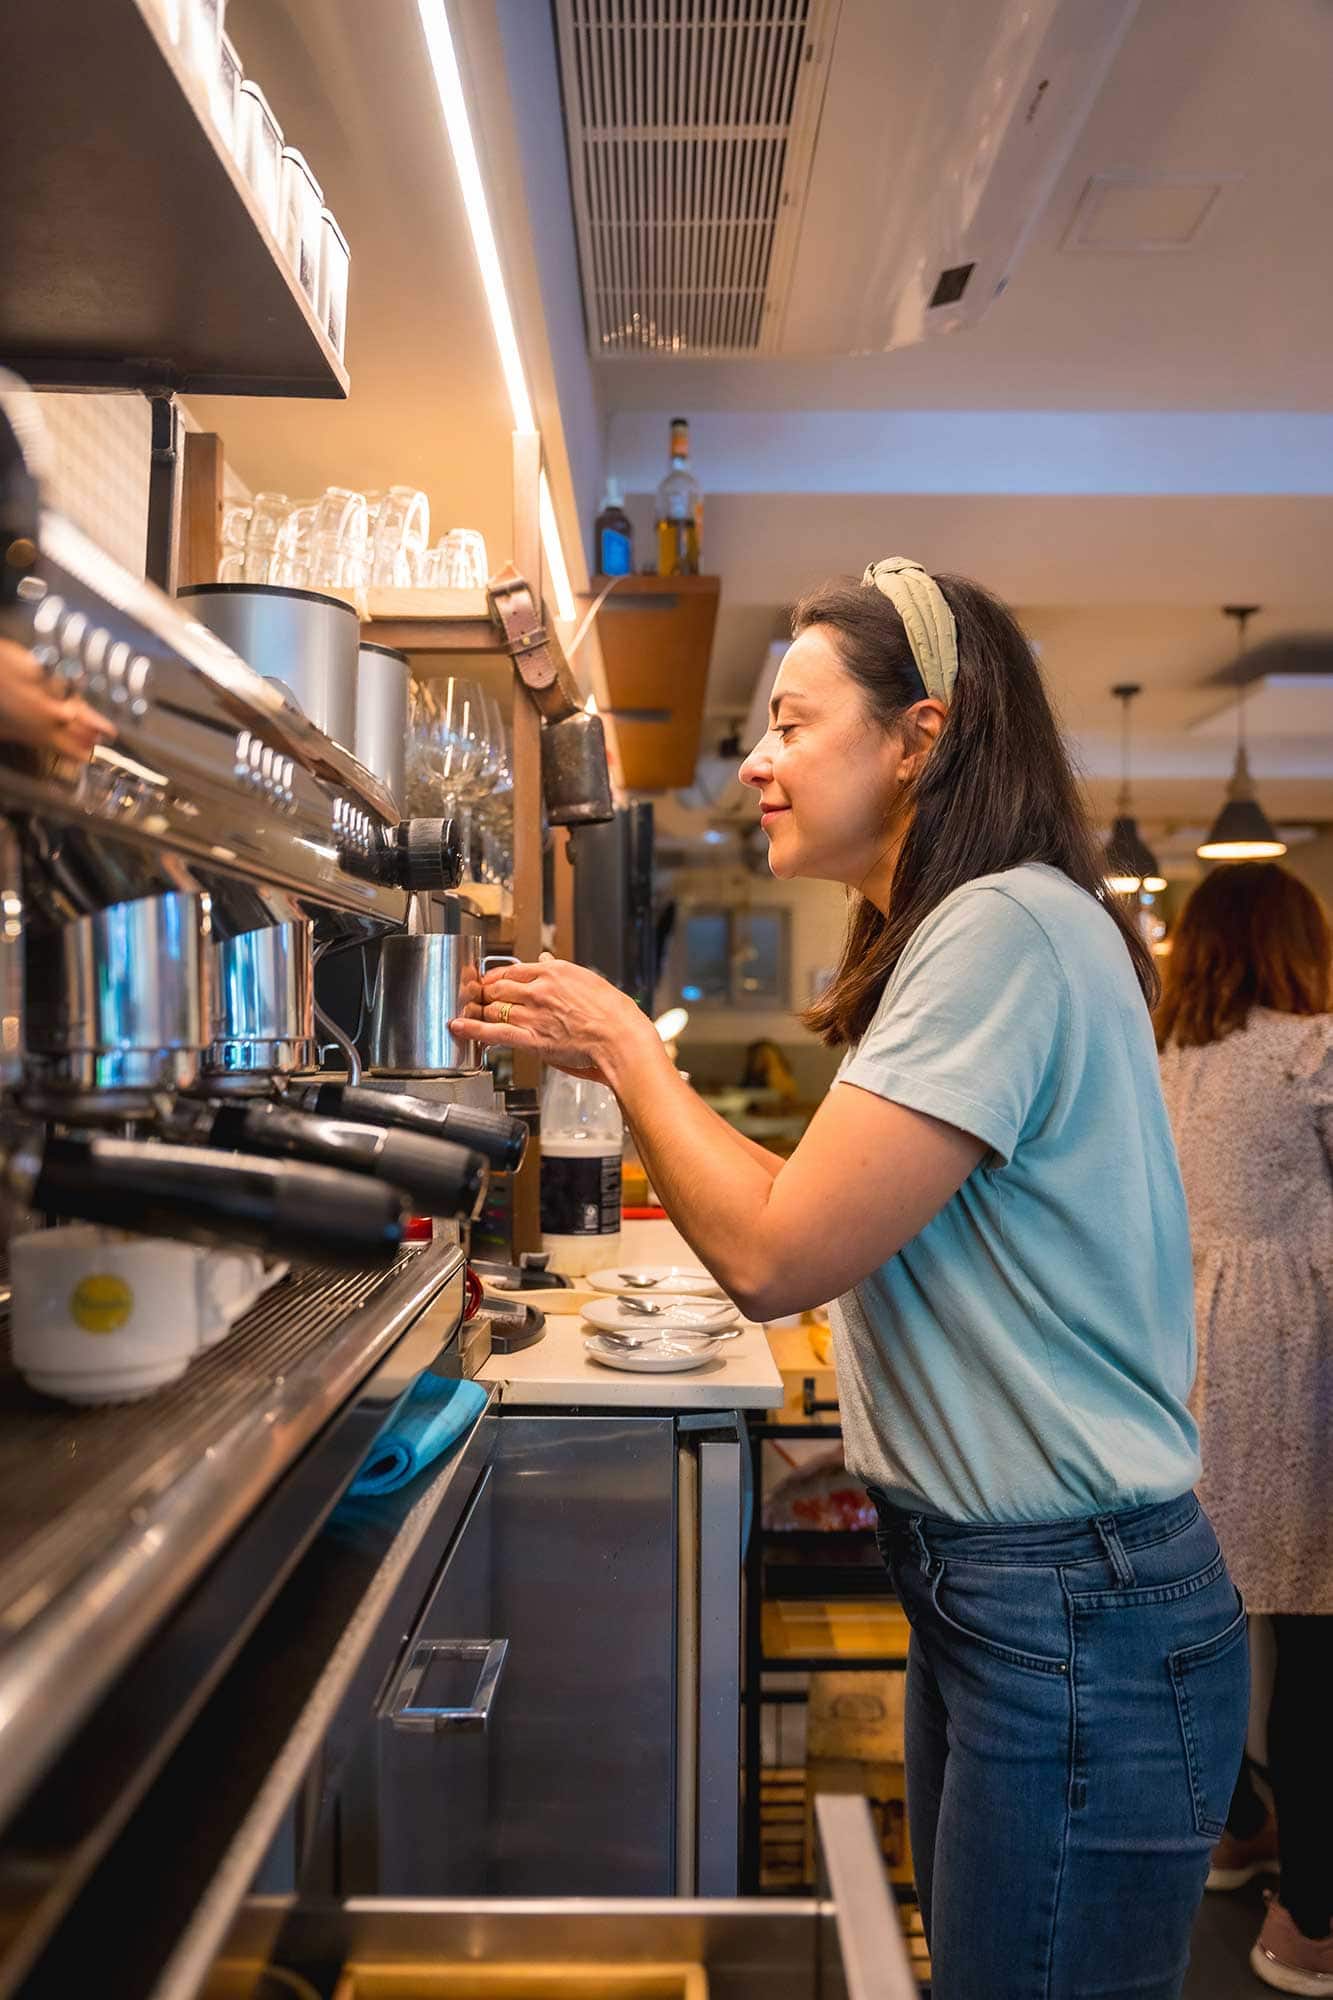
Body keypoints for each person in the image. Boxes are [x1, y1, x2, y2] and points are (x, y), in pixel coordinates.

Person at [458, 558, 1247, 2000]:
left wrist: (633, 1052)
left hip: (1071, 1604)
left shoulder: (1003, 926)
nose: (755, 761)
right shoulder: (966, 931)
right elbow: (803, 1208)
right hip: (1013, 1593)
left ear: (919, 738)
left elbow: (771, 1258)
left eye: (792, 722)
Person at [1157, 861, 1333, 1996]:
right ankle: (1308, 1921)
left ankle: (1234, 1827)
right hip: (1299, 1352)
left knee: (1199, 1613)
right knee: (1316, 1643)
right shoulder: (1315, 1051)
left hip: (1177, 1346)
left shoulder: (1164, 1061)